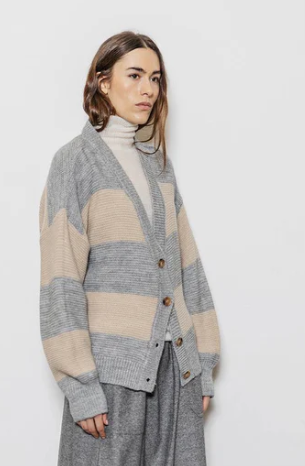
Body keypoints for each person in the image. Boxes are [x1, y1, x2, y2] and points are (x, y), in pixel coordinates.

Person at [39, 30, 221, 465]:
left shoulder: (157, 164)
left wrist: (203, 365)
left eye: (155, 79)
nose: (148, 89)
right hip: (110, 374)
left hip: (177, 368)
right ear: (103, 82)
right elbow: (61, 279)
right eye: (135, 75)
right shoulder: (74, 163)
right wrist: (82, 387)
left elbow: (188, 268)